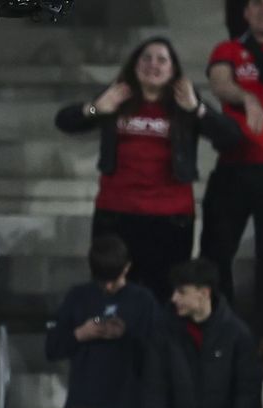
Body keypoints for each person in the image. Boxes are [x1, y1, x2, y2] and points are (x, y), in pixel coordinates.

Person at [55, 37, 238, 302]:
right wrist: (97, 107)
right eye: (146, 58)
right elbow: (64, 121)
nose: (153, 64)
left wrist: (197, 109)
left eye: (162, 59)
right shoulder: (117, 96)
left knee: (163, 298)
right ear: (135, 65)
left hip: (170, 218)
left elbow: (230, 137)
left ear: (173, 70)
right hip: (116, 214)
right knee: (109, 294)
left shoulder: (185, 103)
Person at [137, 258, 262, 408]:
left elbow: (247, 392)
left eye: (182, 292)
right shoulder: (162, 332)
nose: (174, 298)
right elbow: (154, 390)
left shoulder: (237, 335)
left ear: (204, 293)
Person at [44, 234, 159, 408]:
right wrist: (80, 334)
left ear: (127, 268)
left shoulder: (143, 301)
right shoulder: (78, 297)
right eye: (102, 280)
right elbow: (52, 348)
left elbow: (158, 355)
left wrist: (127, 333)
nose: (107, 286)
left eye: (113, 279)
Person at [203, 0, 263, 332]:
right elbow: (219, 83)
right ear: (245, 12)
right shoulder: (229, 49)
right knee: (216, 250)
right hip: (236, 167)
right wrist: (248, 98)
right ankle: (216, 326)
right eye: (257, 4)